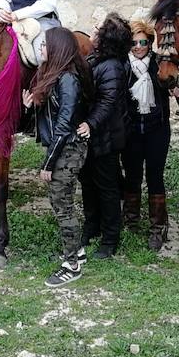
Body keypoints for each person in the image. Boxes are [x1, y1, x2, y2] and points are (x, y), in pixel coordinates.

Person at [23, 27, 94, 287]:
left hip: (69, 149)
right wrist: (28, 107)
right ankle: (77, 252)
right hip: (62, 147)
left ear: (57, 49)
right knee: (60, 203)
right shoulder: (52, 76)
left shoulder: (68, 80)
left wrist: (48, 163)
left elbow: (63, 126)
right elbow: (43, 123)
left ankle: (71, 264)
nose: (40, 49)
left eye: (44, 45)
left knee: (62, 204)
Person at [78, 13, 131, 259]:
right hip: (92, 137)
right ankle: (92, 226)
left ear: (106, 38)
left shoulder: (112, 66)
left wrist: (91, 123)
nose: (93, 30)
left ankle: (110, 238)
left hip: (106, 138)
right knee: (88, 183)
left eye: (97, 28)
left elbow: (107, 101)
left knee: (107, 188)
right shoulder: (96, 59)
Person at [121, 19, 172, 251]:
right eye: (134, 43)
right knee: (132, 174)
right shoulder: (124, 67)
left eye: (143, 42)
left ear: (150, 43)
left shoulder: (159, 65)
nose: (139, 47)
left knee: (155, 176)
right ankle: (130, 220)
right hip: (132, 129)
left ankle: (158, 226)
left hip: (156, 129)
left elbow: (172, 84)